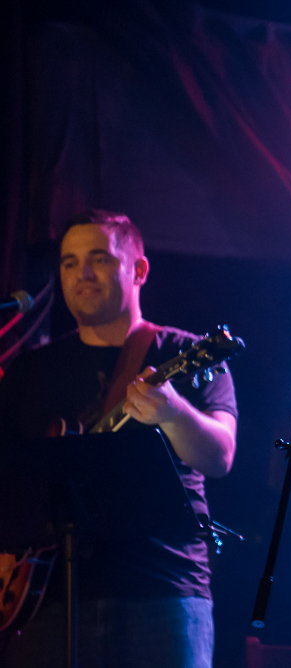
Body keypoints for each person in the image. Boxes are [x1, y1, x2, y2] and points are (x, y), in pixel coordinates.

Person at [0, 210, 237, 668]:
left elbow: (220, 456)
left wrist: (174, 413)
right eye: (69, 262)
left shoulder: (186, 353)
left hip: (162, 592)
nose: (82, 273)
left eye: (100, 259)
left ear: (139, 270)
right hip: (45, 600)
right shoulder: (30, 371)